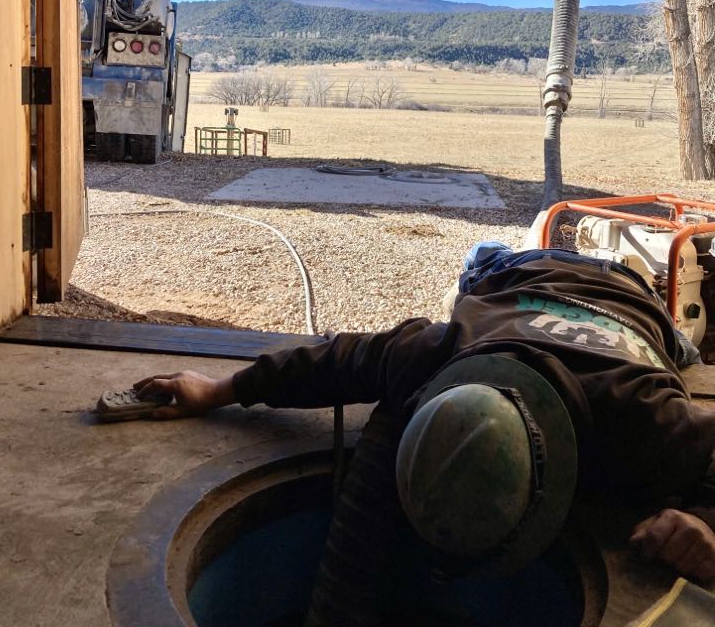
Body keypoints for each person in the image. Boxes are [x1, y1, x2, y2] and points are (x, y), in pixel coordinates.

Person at [134, 245, 715, 588]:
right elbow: (330, 361)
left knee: (681, 347)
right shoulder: (434, 350)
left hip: (625, 297)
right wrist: (213, 391)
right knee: (479, 269)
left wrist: (706, 533)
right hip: (511, 275)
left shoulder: (649, 425)